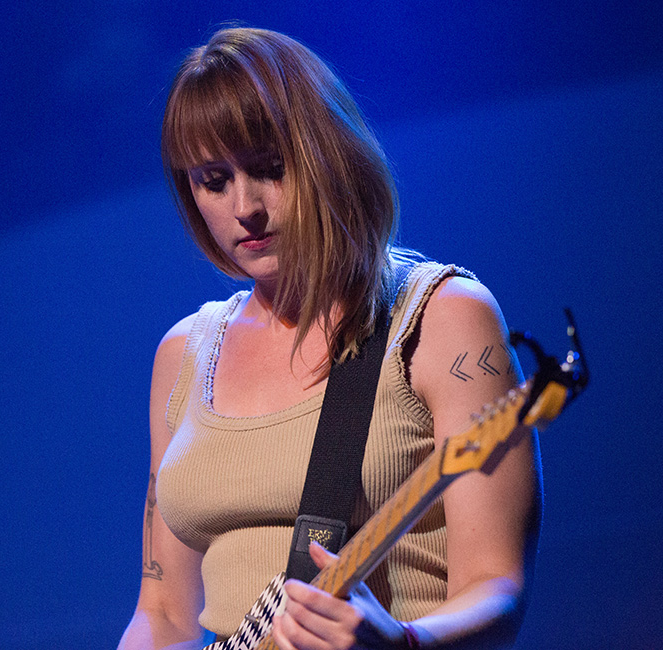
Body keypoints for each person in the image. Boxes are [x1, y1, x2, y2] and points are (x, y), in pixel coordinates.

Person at [118, 27, 541, 650]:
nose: (246, 208)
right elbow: (163, 614)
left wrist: (400, 643)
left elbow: (496, 587)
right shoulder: (182, 354)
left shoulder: (440, 317)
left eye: (269, 169)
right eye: (213, 180)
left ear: (328, 154)